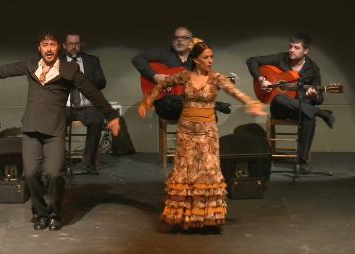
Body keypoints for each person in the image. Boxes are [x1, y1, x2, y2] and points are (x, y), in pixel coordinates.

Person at [0, 31, 120, 231]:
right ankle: (40, 213)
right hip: (31, 129)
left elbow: (92, 92)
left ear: (58, 47)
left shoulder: (69, 69)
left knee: (54, 174)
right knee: (31, 174)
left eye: (52, 44)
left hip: (54, 130)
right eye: (45, 45)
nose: (49, 49)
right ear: (39, 48)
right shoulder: (31, 64)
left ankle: (54, 212)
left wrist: (111, 115)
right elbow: (5, 70)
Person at [138, 38, 266, 231]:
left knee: (207, 172)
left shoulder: (217, 78)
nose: (210, 60)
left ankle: (207, 217)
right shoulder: (184, 77)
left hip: (207, 132)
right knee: (185, 171)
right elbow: (161, 86)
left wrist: (251, 102)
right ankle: (182, 215)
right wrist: (147, 102)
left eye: (212, 57)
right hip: (186, 131)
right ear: (196, 59)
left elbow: (236, 92)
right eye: (206, 57)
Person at [246, 33, 335, 173]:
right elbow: (251, 61)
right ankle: (321, 113)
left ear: (305, 51)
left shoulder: (313, 69)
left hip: (300, 110)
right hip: (280, 108)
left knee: (309, 117)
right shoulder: (281, 59)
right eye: (290, 46)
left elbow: (319, 99)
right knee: (279, 98)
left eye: (296, 48)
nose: (291, 50)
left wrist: (314, 96)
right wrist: (261, 79)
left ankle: (302, 161)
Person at [132, 26, 231, 121]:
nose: (179, 40)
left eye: (183, 38)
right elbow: (137, 59)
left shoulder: (196, 59)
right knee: (169, 101)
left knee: (207, 113)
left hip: (188, 102)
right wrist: (155, 76)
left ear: (191, 41)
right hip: (167, 105)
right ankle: (215, 105)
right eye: (176, 37)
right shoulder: (163, 52)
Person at [61, 33, 106, 175]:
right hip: (64, 105)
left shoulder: (92, 60)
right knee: (54, 122)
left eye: (77, 43)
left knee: (97, 121)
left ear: (81, 45)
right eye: (70, 43)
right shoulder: (57, 61)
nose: (73, 46)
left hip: (86, 104)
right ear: (64, 46)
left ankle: (88, 163)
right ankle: (59, 163)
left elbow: (102, 82)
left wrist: (82, 78)